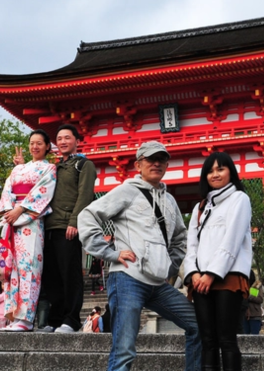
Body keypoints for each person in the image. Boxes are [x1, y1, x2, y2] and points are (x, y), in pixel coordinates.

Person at [78, 141, 201, 371]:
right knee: (124, 349)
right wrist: (109, 253)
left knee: (198, 324)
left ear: (166, 165)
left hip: (158, 284)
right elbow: (88, 216)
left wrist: (170, 267)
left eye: (161, 159)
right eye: (150, 159)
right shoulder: (127, 191)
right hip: (128, 278)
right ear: (138, 164)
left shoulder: (170, 200)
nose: (156, 163)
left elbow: (180, 239)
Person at [183, 151, 252, 371]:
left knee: (227, 339)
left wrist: (211, 274)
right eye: (210, 171)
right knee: (207, 340)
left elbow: (232, 240)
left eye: (220, 169)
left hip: (227, 277)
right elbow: (191, 245)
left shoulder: (239, 199)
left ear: (231, 172)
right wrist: (194, 273)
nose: (215, 174)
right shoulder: (200, 207)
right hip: (200, 280)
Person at [0, 130, 56, 332]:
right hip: (12, 220)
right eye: (32, 143)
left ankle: (26, 319)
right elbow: (7, 190)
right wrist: (9, 211)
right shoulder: (19, 169)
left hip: (30, 221)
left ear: (47, 146)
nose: (34, 147)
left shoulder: (50, 168)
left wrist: (19, 210)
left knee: (29, 267)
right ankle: (13, 317)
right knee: (12, 269)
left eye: (39, 143)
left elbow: (42, 193)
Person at [41, 124, 96, 334]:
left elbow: (85, 195)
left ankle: (71, 320)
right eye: (59, 139)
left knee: (69, 274)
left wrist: (74, 221)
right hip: (49, 226)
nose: (62, 142)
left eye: (67, 137)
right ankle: (55, 319)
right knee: (52, 276)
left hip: (67, 226)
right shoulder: (53, 168)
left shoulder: (83, 165)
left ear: (77, 141)